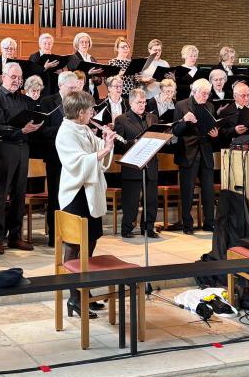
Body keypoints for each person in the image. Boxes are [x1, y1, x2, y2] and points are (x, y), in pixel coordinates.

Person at [56, 90, 115, 318]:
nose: (93, 113)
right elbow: (77, 162)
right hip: (75, 195)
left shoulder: (84, 128)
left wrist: (107, 142)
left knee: (91, 240)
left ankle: (84, 291)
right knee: (74, 245)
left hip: (90, 192)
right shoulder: (65, 132)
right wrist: (103, 151)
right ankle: (74, 297)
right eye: (90, 109)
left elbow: (97, 149)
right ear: (80, 112)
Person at [0, 62, 43, 254]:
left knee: (19, 194)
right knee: (1, 193)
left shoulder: (24, 99)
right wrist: (21, 130)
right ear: (3, 77)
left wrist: (35, 125)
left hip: (22, 147)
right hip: (4, 147)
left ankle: (15, 236)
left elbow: (31, 119)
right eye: (13, 77)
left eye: (19, 78)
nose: (17, 81)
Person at [38, 71, 81, 246]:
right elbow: (42, 130)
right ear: (60, 85)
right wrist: (66, 128)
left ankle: (71, 233)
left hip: (75, 157)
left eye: (76, 88)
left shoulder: (78, 101)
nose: (74, 91)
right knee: (56, 195)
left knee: (74, 196)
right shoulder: (47, 102)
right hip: (55, 156)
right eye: (71, 88)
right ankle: (55, 235)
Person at [172, 78, 220, 233]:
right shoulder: (181, 105)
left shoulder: (210, 106)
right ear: (194, 91)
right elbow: (175, 131)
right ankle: (187, 224)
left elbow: (212, 127)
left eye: (208, 94)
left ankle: (209, 222)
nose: (206, 96)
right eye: (203, 93)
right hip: (188, 152)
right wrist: (184, 120)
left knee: (208, 190)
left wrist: (215, 135)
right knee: (188, 190)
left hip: (205, 151)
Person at [114, 88, 159, 238]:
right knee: (131, 201)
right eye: (139, 102)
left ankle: (148, 228)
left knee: (151, 200)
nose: (142, 105)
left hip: (150, 163)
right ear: (131, 102)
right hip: (132, 165)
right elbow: (118, 144)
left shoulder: (152, 118)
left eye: (144, 102)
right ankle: (127, 229)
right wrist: (133, 143)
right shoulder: (121, 119)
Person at [218, 81, 249, 147]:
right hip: (233, 147)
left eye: (248, 95)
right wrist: (234, 130)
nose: (246, 98)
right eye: (243, 96)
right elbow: (221, 133)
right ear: (235, 96)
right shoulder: (226, 111)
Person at [67, 32, 103, 99]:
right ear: (77, 44)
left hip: (93, 93)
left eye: (87, 42)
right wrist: (88, 74)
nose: (84, 44)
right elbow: (74, 77)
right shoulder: (73, 58)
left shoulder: (92, 59)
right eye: (82, 42)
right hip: (80, 93)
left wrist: (96, 78)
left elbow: (99, 81)